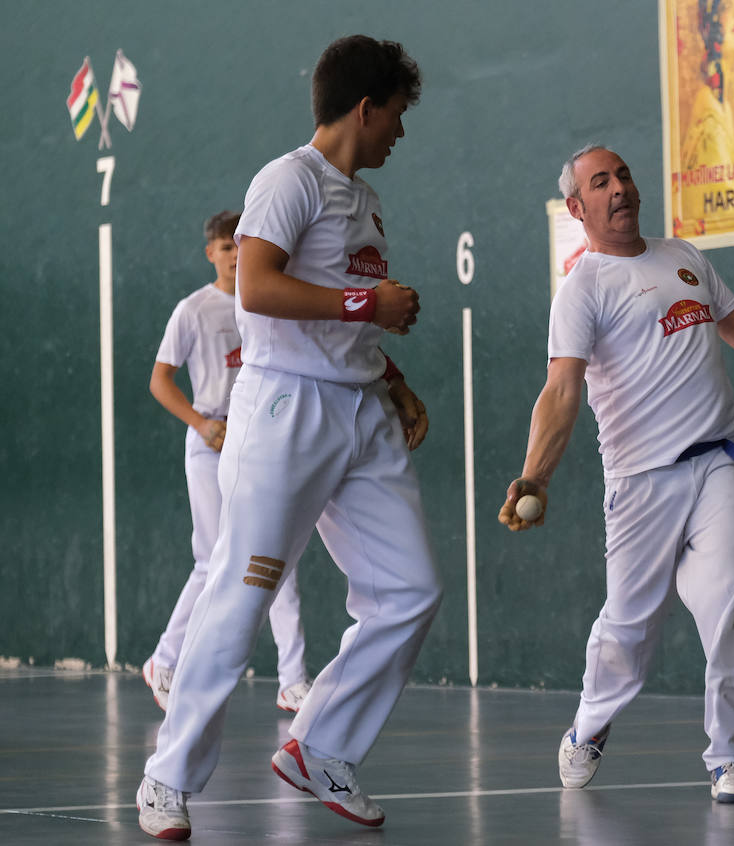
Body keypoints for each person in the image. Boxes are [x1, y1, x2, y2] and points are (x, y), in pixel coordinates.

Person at [136, 35, 442, 841]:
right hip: (285, 412)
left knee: (410, 591)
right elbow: (260, 287)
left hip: (361, 414)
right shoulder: (287, 180)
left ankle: (321, 747)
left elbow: (347, 312)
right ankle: (167, 778)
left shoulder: (365, 202)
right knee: (243, 591)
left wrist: (396, 382)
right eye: (396, 118)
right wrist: (367, 309)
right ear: (365, 108)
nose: (400, 136)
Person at [498, 145, 734, 804]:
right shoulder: (583, 287)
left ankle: (727, 755)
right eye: (602, 182)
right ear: (578, 207)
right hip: (640, 483)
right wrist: (536, 475)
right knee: (628, 629)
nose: (620, 188)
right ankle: (589, 728)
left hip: (717, 463)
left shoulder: (684, 257)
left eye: (623, 174)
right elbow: (561, 391)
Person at [143, 210, 311, 716]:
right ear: (210, 254)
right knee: (214, 559)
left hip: (261, 440)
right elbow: (160, 380)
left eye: (240, 245)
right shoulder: (192, 310)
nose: (235, 255)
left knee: (278, 558)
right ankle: (164, 661)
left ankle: (293, 679)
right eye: (224, 247)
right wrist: (200, 423)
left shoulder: (267, 301)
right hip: (211, 440)